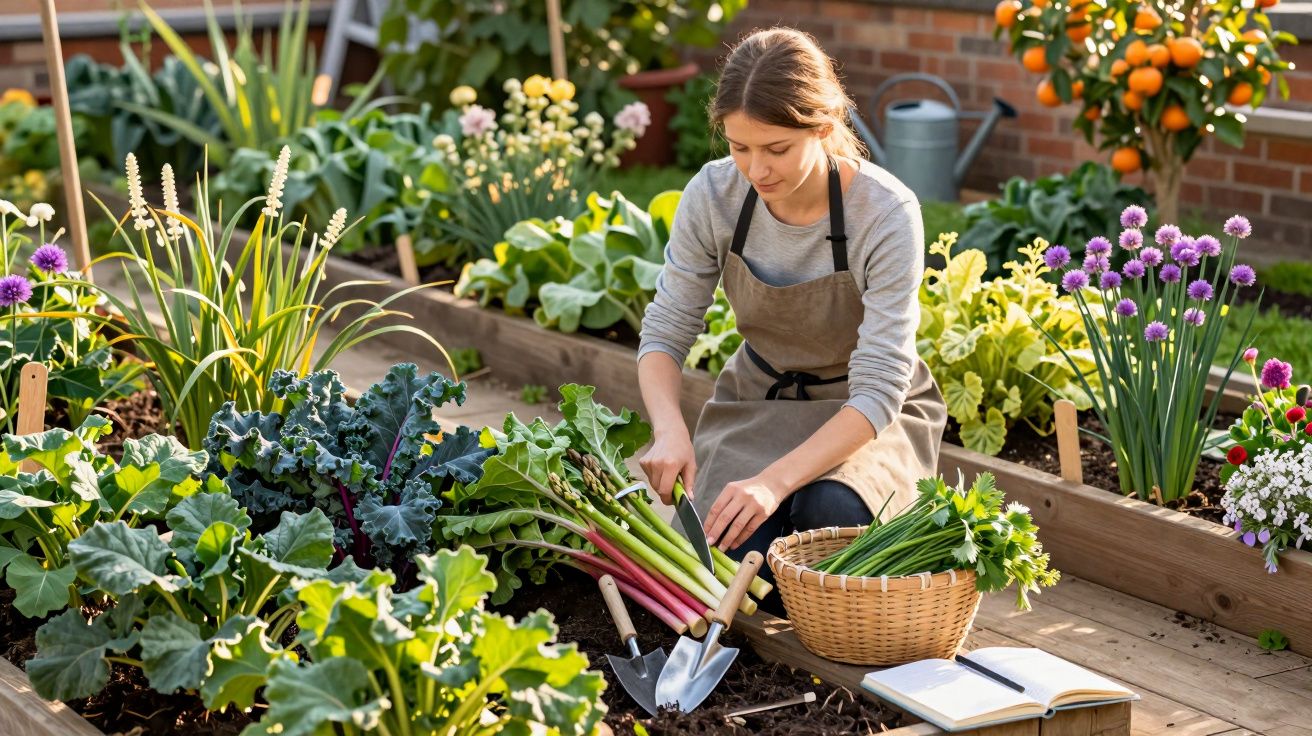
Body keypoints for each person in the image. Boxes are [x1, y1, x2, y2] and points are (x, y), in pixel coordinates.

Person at [635, 28, 948, 595]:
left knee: (832, 517)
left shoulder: (884, 213)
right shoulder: (713, 196)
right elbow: (667, 326)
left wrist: (772, 483)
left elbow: (879, 390)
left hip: (862, 414)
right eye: (739, 147)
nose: (757, 170)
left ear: (823, 128)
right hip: (761, 399)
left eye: (777, 149)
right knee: (737, 564)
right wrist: (668, 430)